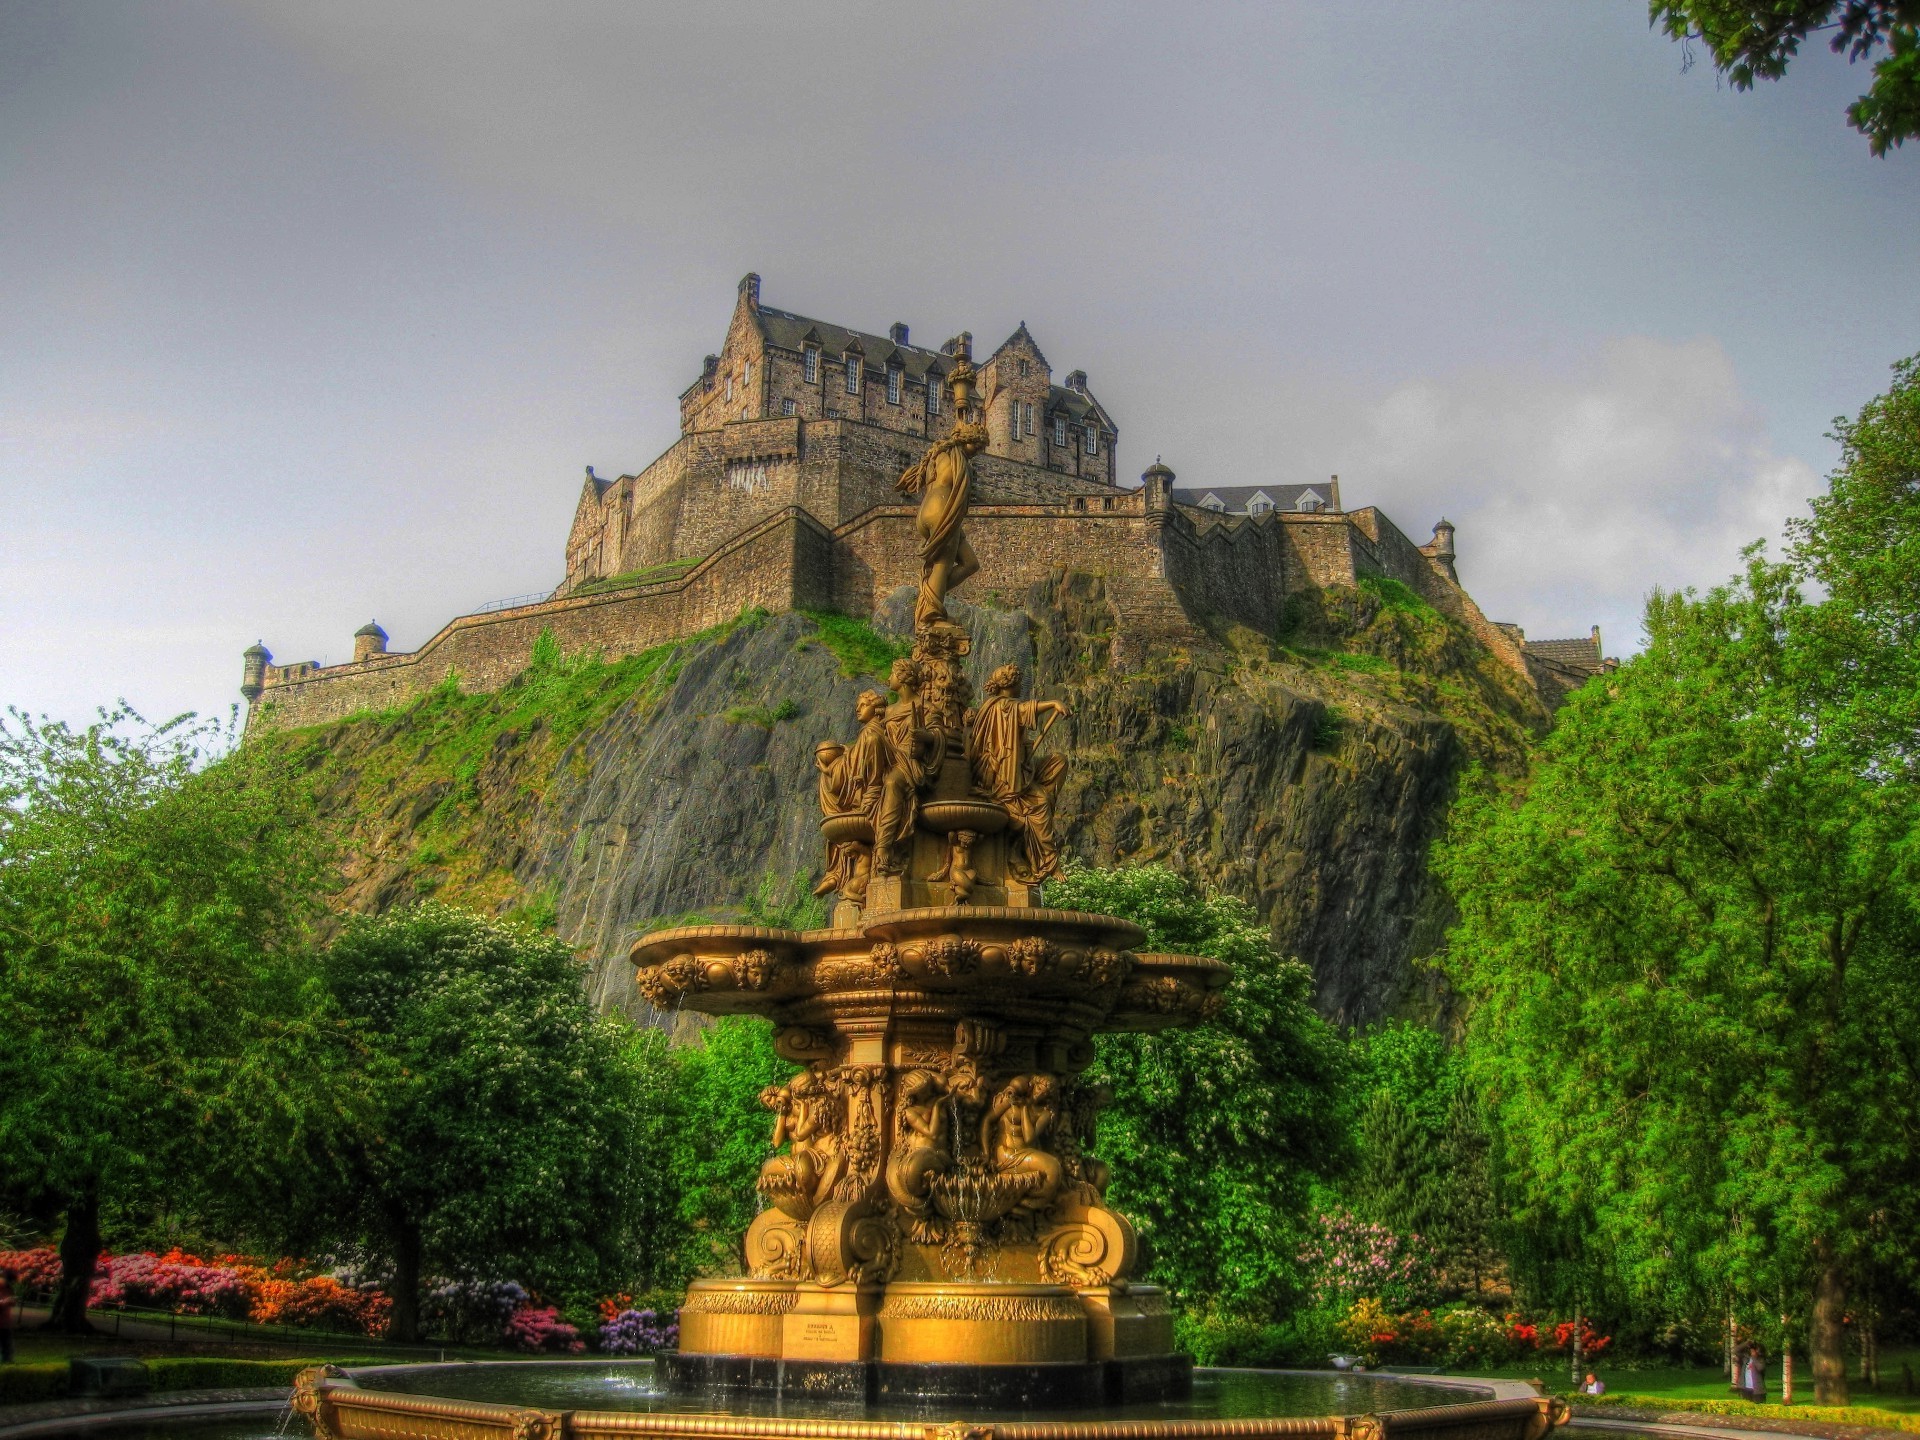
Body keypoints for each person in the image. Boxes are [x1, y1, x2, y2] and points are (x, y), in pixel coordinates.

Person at [0, 1266, 17, 1364]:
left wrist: (11, 1301)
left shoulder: (8, 1288)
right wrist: (4, 1302)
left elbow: (11, 1300)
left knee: (7, 1345)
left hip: (5, 1322)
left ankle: (8, 1362)